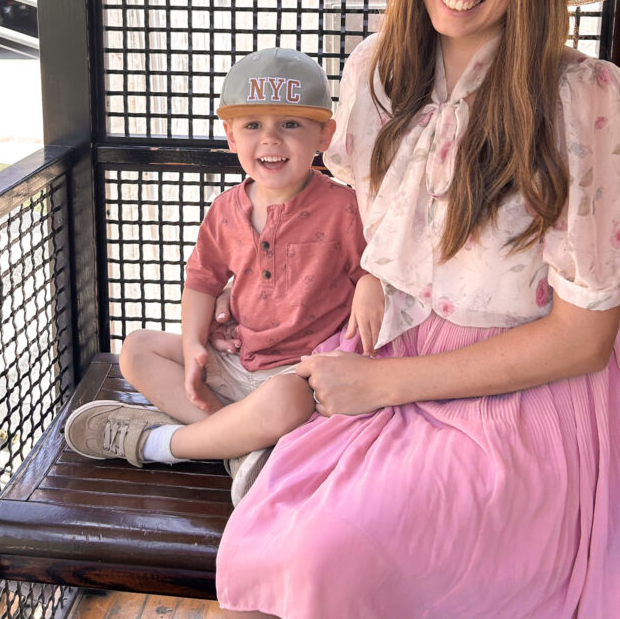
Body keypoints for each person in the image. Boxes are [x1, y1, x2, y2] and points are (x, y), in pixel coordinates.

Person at [214, 0, 620, 618]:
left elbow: (583, 336)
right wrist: (374, 285)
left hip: (530, 385)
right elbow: (371, 201)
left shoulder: (587, 99)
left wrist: (383, 383)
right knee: (272, 537)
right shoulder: (376, 72)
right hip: (400, 350)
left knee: (326, 553)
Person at [65, 47, 383, 504]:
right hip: (235, 360)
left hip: (297, 375)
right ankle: (239, 442)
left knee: (287, 403)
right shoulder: (225, 211)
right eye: (253, 125)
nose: (270, 140)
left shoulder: (345, 208)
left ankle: (160, 444)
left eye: (290, 124)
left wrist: (372, 280)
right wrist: (194, 343)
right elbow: (202, 281)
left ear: (325, 135)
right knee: (136, 348)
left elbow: (378, 265)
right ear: (230, 135)